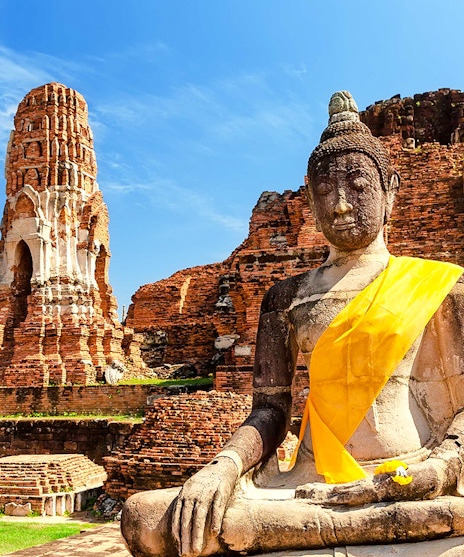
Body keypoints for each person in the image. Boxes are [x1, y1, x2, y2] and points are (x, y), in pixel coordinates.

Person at [121, 92, 464, 557]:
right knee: (145, 517)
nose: (341, 206)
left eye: (357, 187)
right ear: (310, 202)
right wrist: (221, 466)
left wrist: (427, 473)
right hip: (307, 485)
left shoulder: (440, 287)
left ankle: (375, 514)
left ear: (392, 190)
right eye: (325, 192)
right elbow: (270, 413)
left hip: (407, 476)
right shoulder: (286, 297)